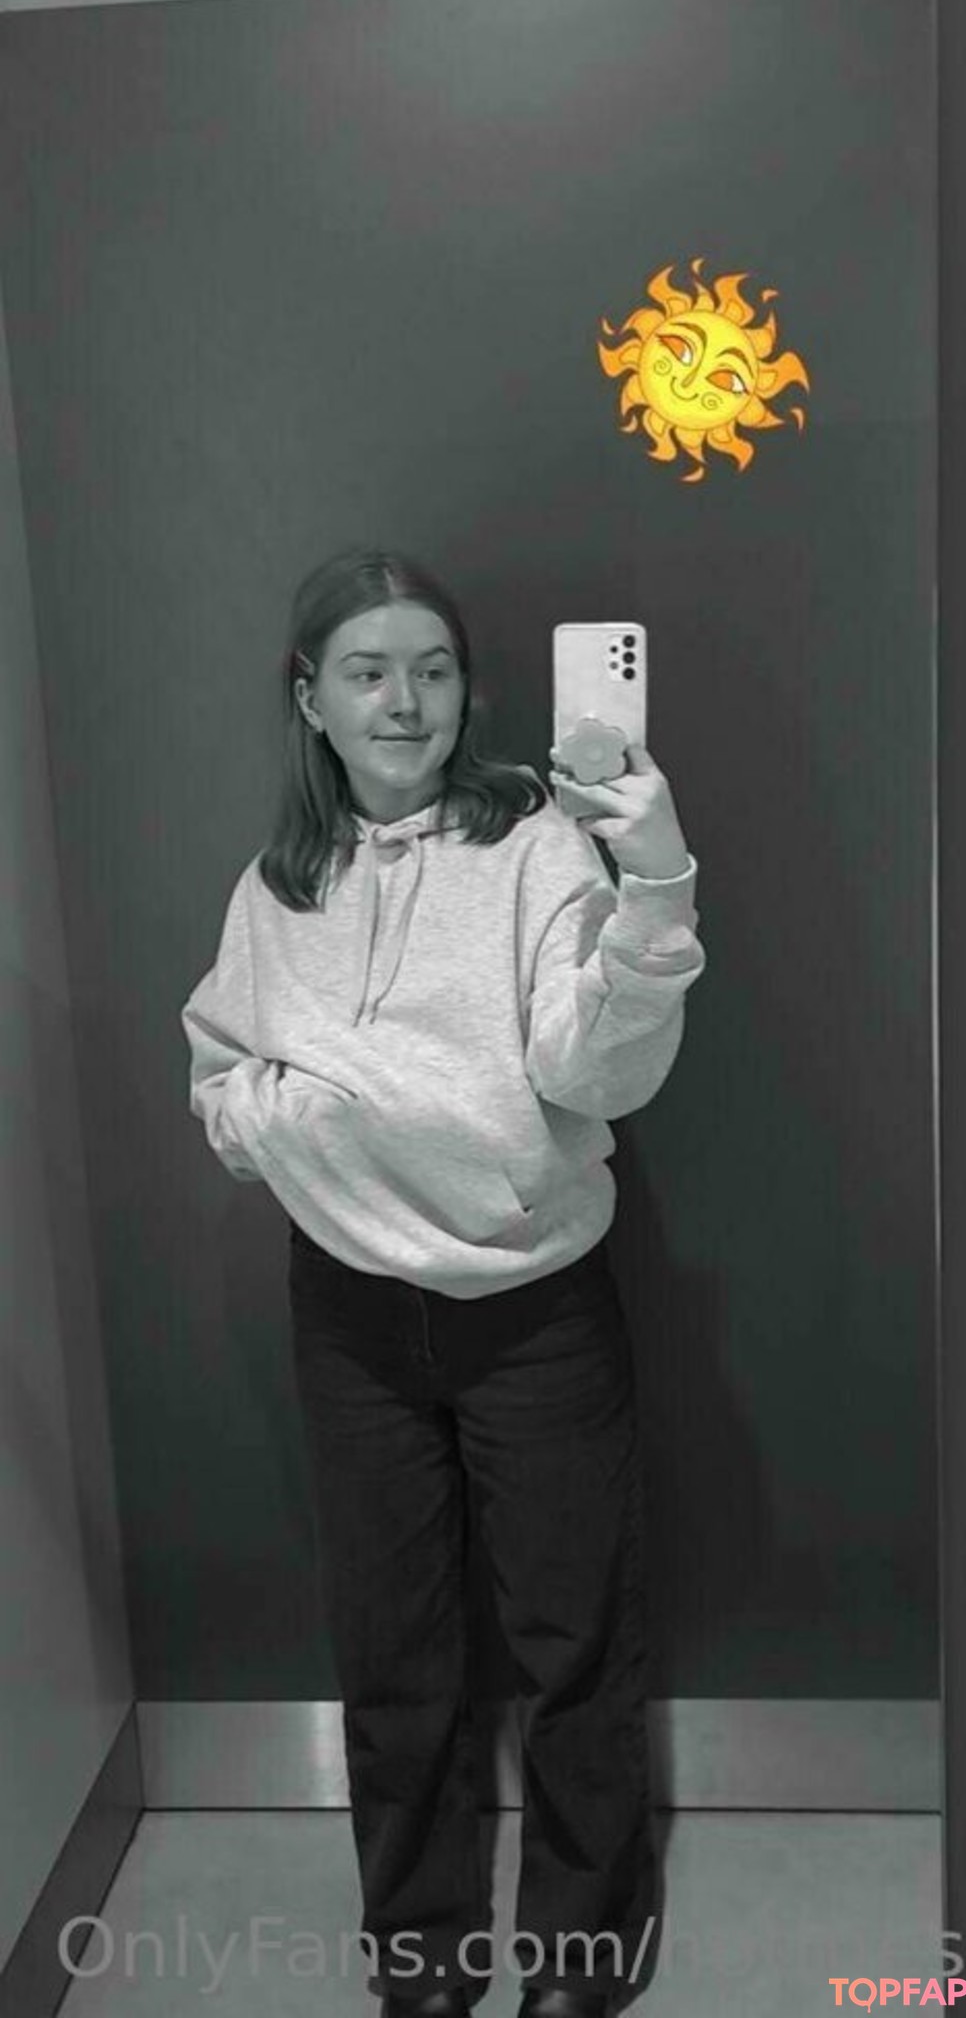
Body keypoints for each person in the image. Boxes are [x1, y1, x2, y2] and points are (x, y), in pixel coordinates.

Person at [180, 548, 706, 2018]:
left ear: (468, 692)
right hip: (352, 1317)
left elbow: (598, 1073)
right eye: (368, 672)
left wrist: (656, 881)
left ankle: (584, 1951)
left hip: (536, 1307)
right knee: (392, 1649)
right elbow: (219, 1075)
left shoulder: (534, 843)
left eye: (431, 669)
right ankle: (417, 1950)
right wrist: (290, 1117)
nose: (403, 701)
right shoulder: (277, 887)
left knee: (573, 1640)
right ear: (312, 700)